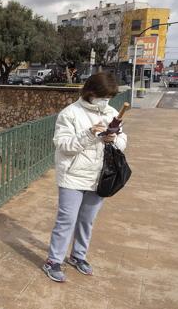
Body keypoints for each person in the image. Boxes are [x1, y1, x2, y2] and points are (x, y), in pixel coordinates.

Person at [42, 72, 128, 282]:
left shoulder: (111, 112)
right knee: (66, 220)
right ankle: (53, 260)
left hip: (98, 175)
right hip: (72, 176)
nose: (105, 100)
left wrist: (113, 139)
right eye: (103, 96)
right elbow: (63, 145)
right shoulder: (70, 113)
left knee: (87, 220)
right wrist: (89, 134)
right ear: (91, 92)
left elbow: (123, 141)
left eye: (109, 97)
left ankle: (78, 256)